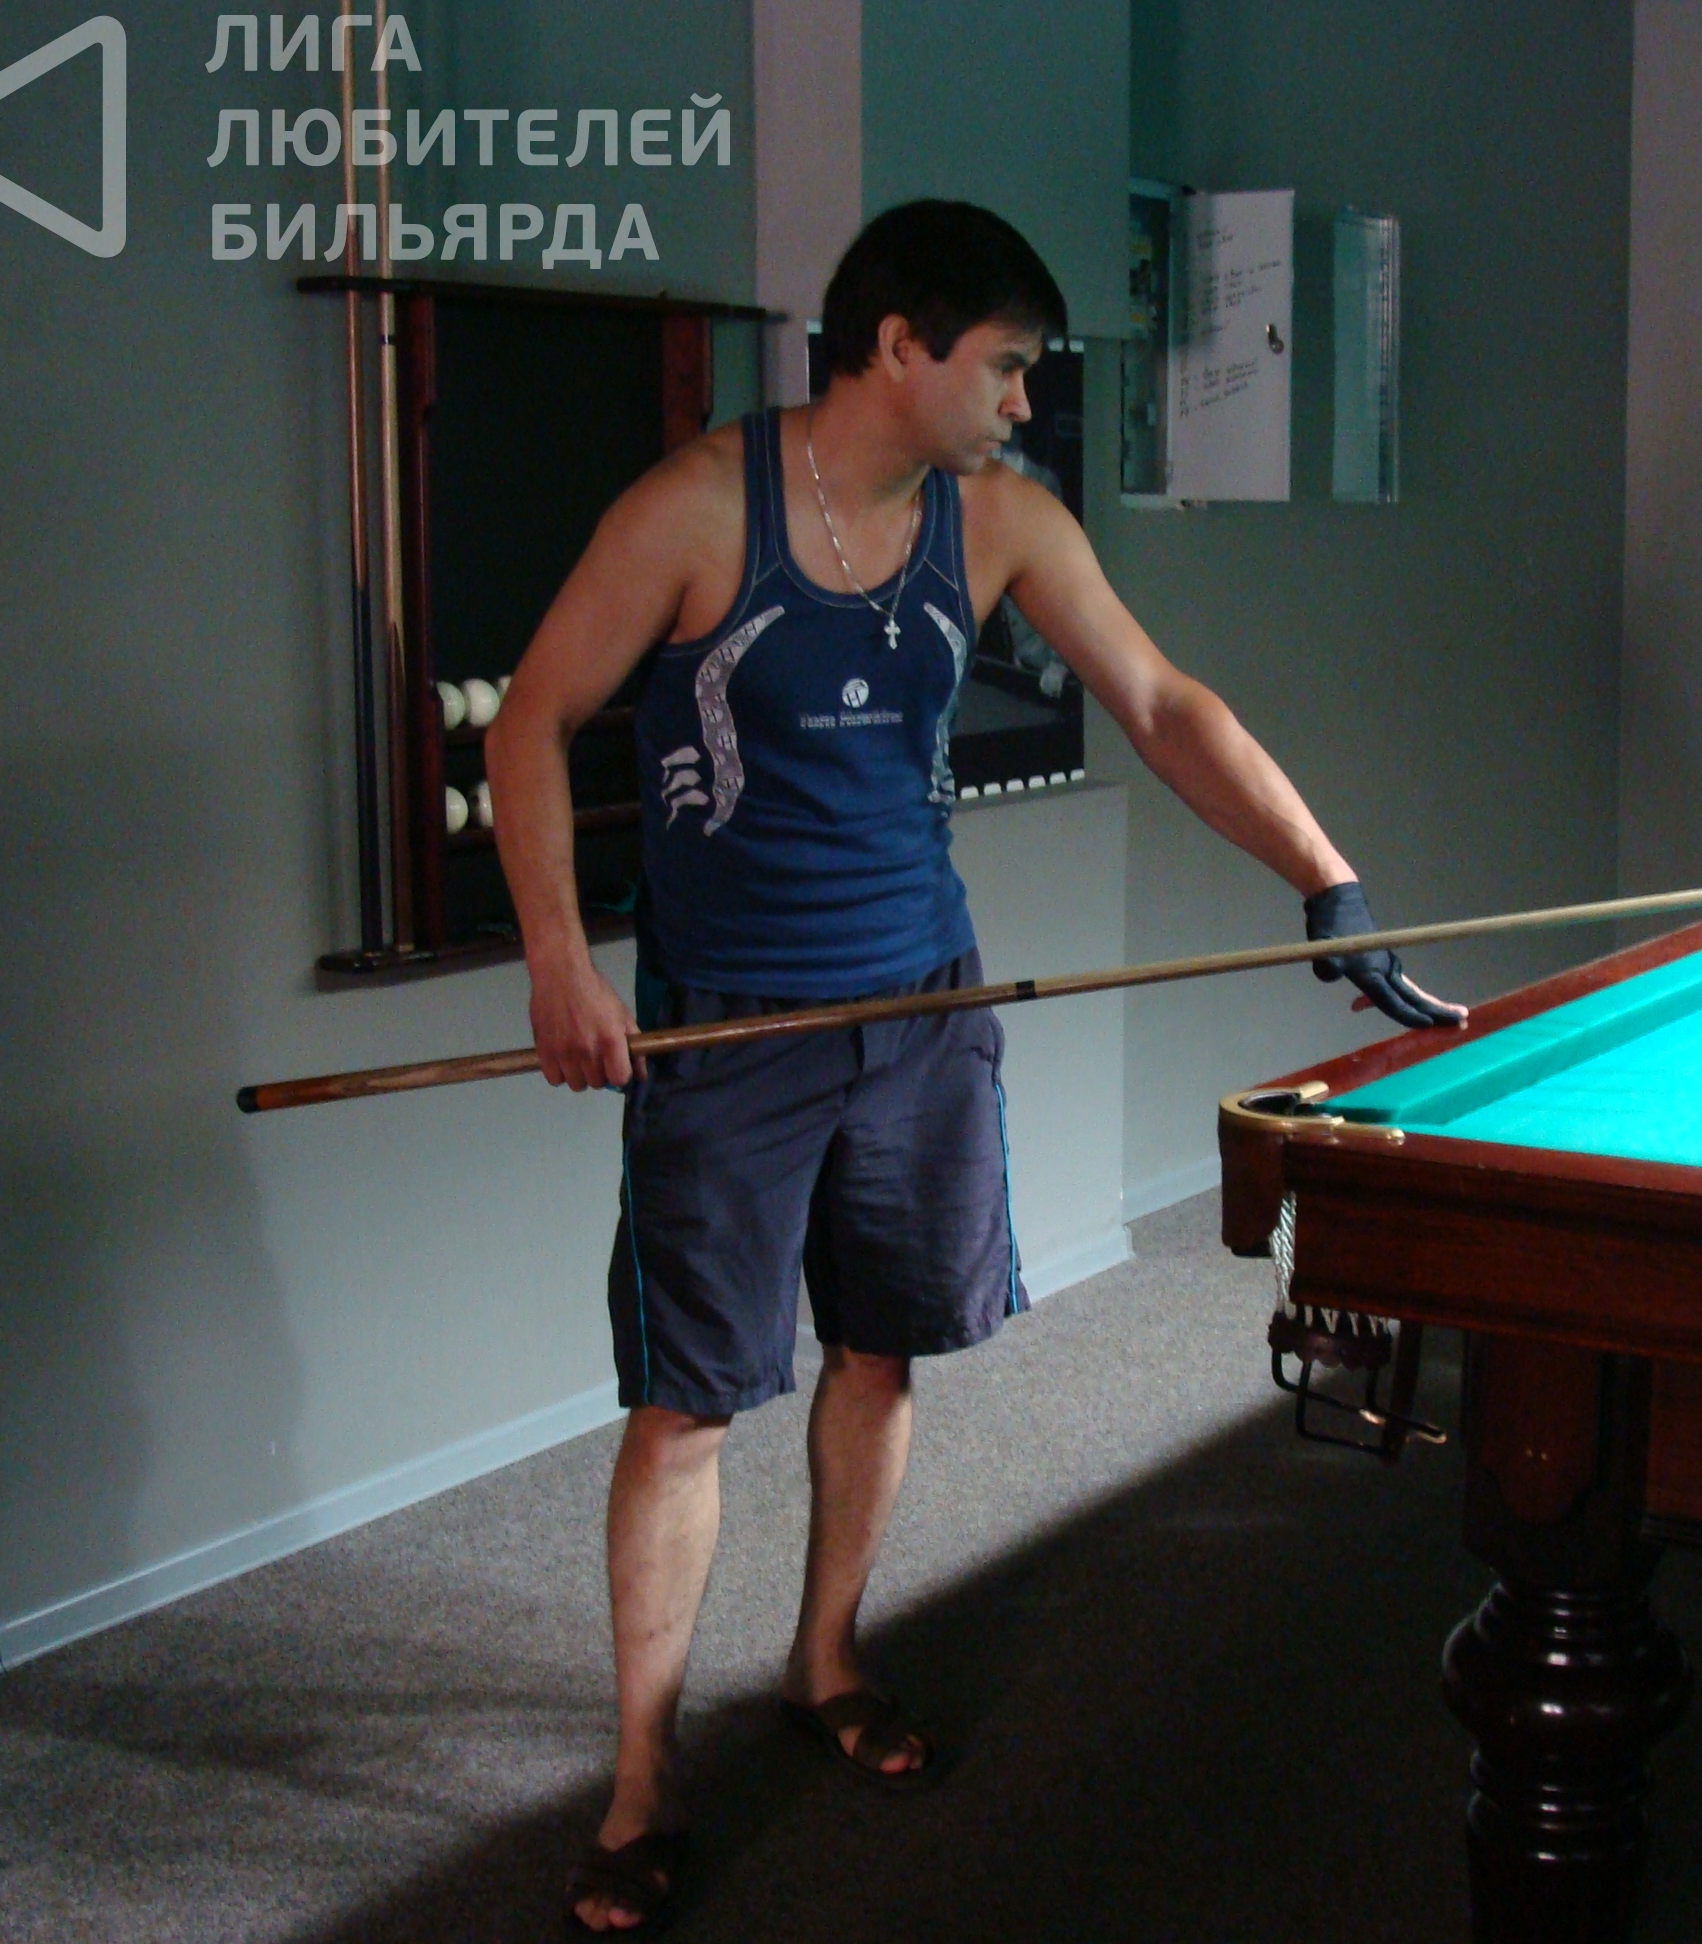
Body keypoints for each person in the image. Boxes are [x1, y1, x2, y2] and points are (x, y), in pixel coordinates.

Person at [485, 199, 1460, 1934]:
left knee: (883, 1351)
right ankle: (640, 1775)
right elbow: (531, 720)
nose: (1021, 403)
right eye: (1004, 367)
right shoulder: (698, 509)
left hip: (924, 1016)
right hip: (731, 1027)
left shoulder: (1001, 522)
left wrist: (1325, 877)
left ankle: (826, 1660)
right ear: (898, 345)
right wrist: (562, 962)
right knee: (689, 1400)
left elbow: (1160, 703)